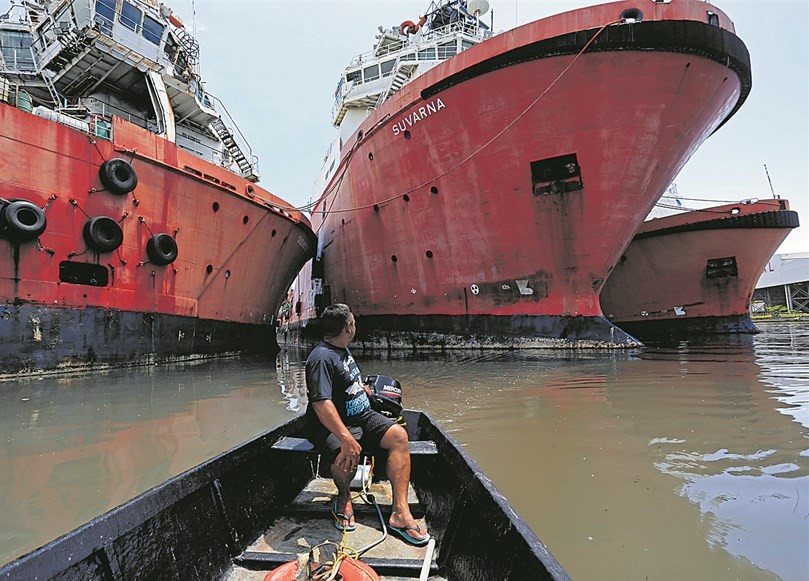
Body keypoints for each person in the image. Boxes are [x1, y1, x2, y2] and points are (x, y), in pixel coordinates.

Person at [304, 303, 429, 546]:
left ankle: (400, 513)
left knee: (399, 437)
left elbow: (344, 382)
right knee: (343, 453)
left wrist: (361, 390)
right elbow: (322, 404)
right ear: (348, 327)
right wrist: (346, 439)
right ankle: (344, 498)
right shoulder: (321, 358)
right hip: (333, 425)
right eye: (353, 322)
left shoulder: (341, 348)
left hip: (363, 416)